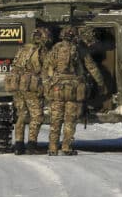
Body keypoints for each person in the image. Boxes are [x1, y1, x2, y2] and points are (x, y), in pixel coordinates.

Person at [44, 25, 106, 156]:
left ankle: (52, 148)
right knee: (69, 119)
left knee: (55, 120)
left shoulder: (55, 49)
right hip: (74, 89)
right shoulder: (79, 49)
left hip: (57, 88)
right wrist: (101, 84)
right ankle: (66, 147)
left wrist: (47, 85)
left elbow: (46, 68)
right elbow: (92, 67)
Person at [6, 27, 50, 154]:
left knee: (21, 115)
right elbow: (44, 70)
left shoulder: (23, 49)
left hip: (18, 85)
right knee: (37, 116)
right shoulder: (40, 51)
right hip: (31, 86)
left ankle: (19, 145)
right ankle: (32, 145)